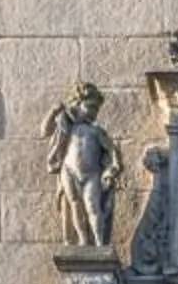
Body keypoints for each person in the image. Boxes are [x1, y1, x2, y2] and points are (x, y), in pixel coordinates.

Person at [42, 82, 120, 249]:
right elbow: (45, 131)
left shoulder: (96, 131)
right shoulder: (66, 126)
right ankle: (83, 239)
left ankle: (99, 241)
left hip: (92, 174)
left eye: (96, 109)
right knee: (75, 203)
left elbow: (112, 150)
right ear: (77, 103)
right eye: (90, 107)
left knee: (92, 206)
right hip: (69, 171)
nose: (94, 112)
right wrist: (54, 112)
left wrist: (113, 168)